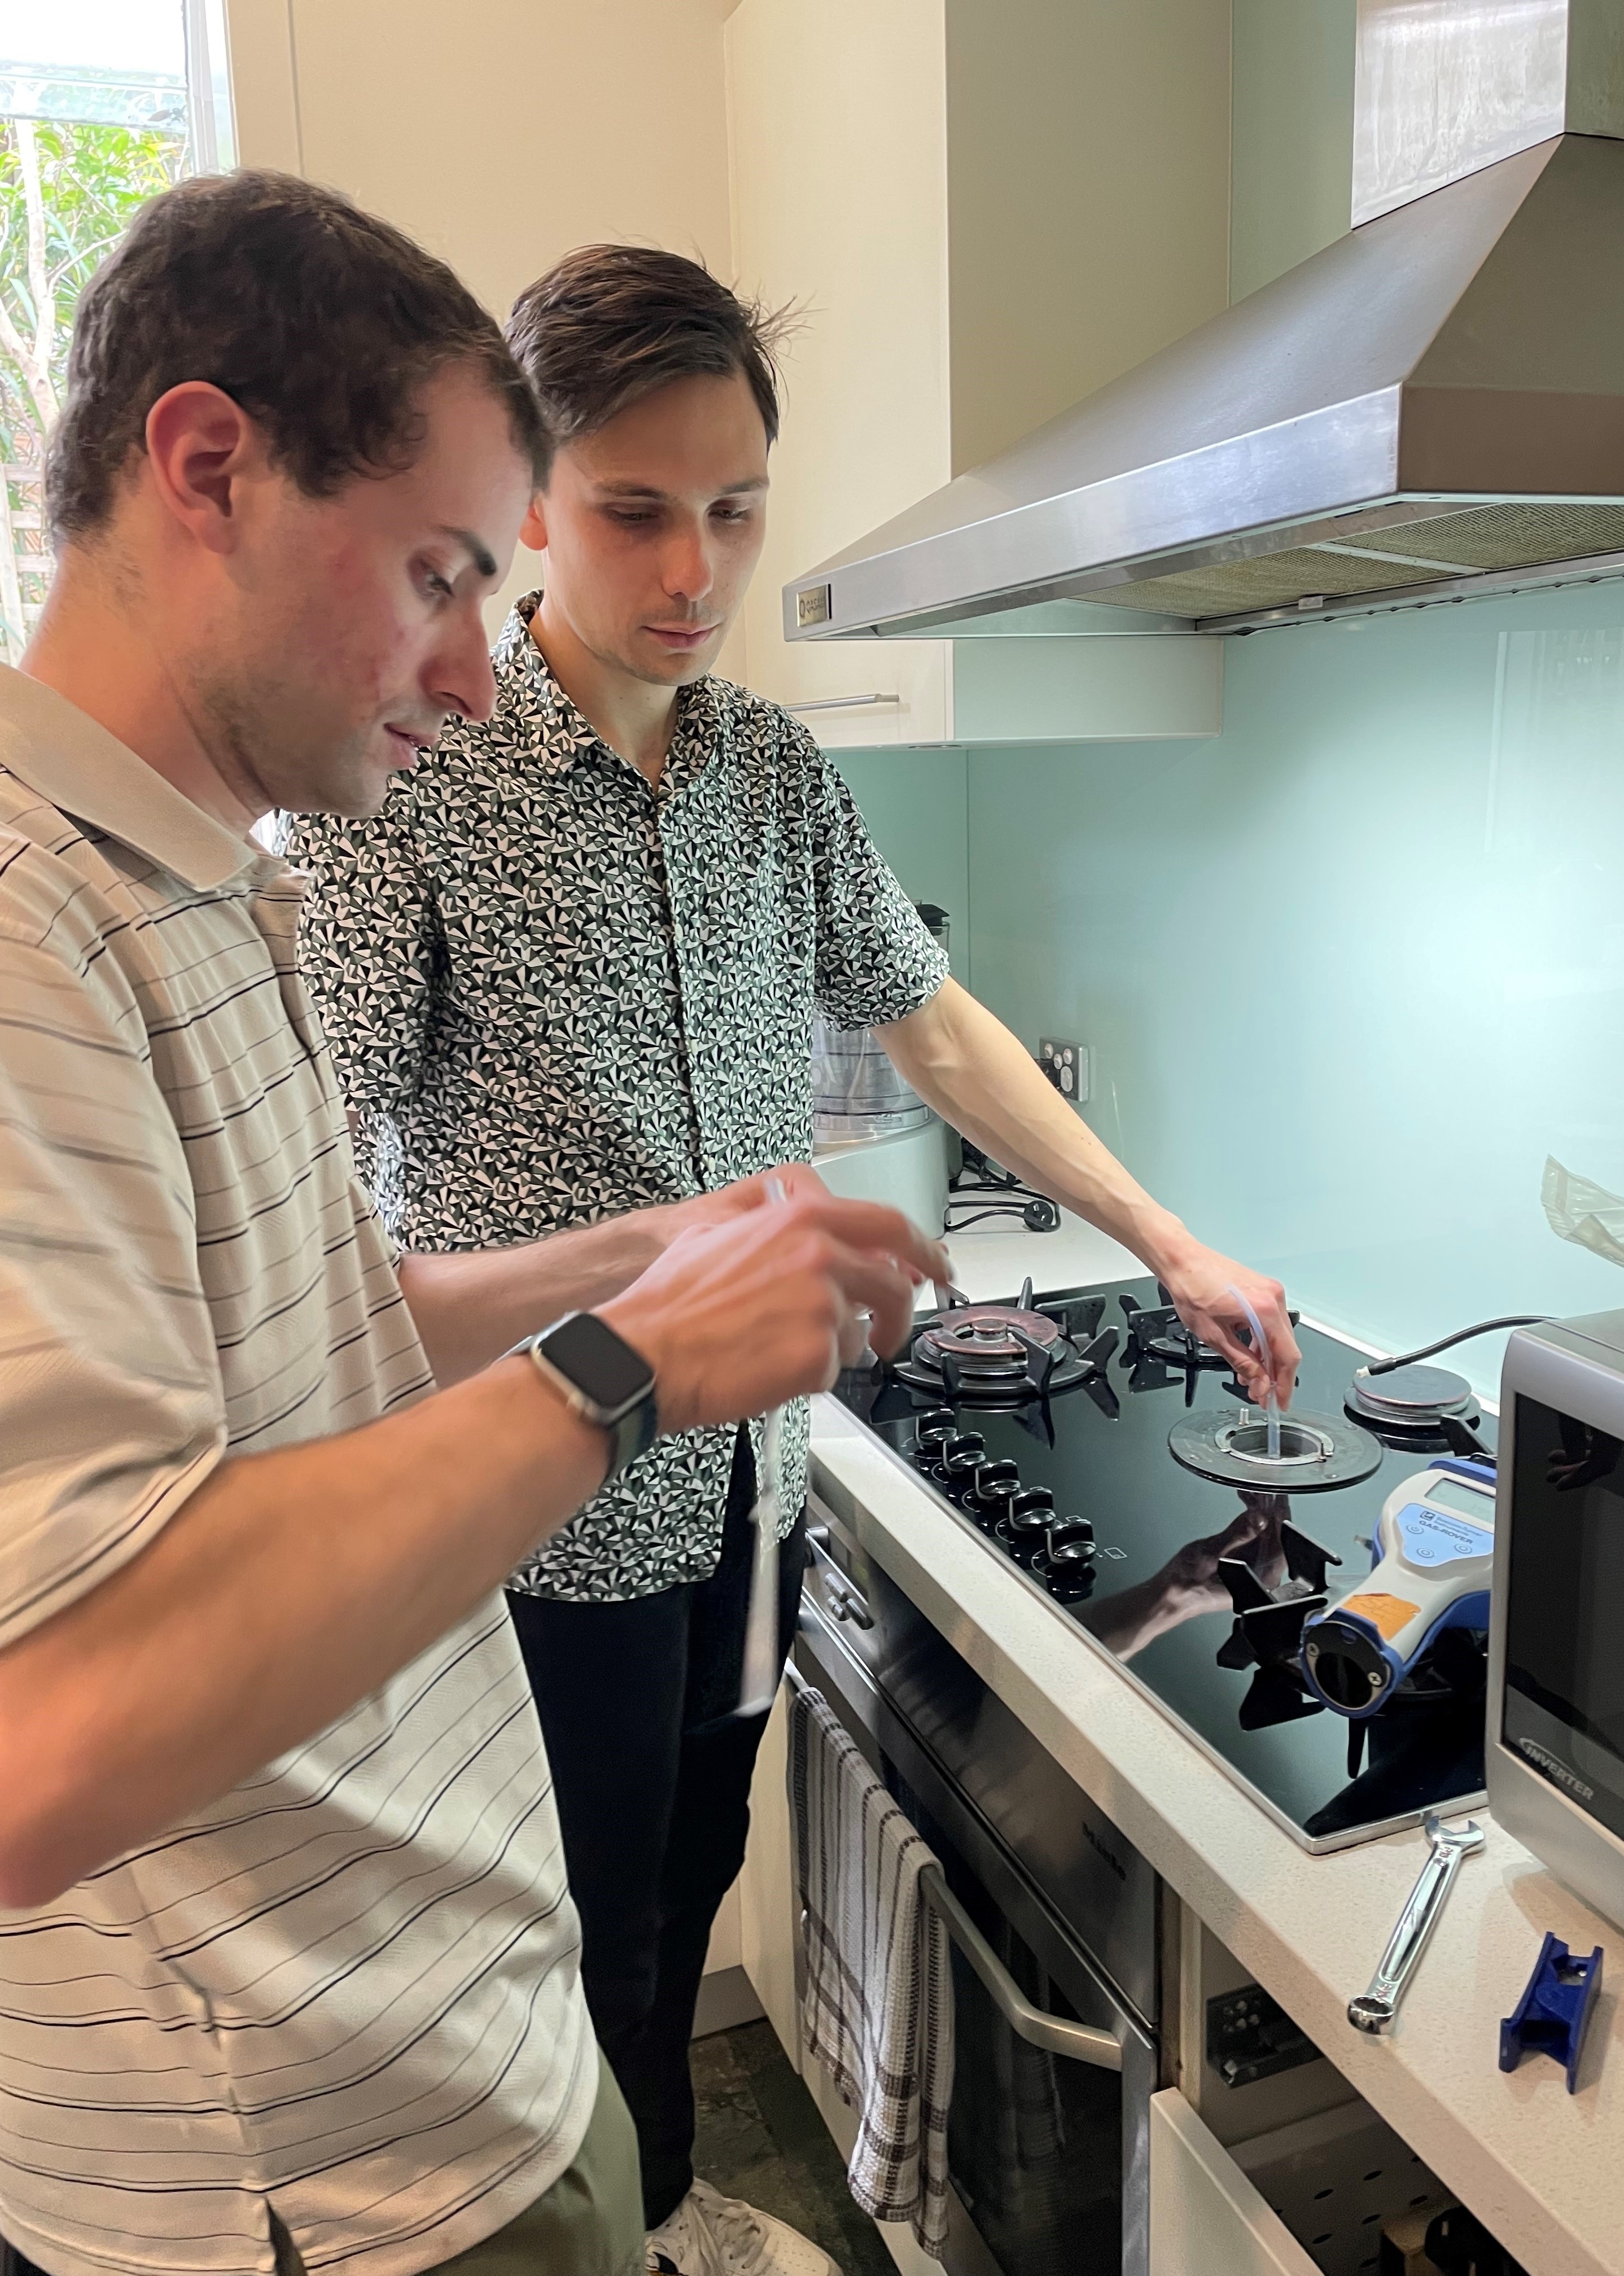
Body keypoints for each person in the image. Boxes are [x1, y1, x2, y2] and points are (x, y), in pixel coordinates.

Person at [287, 244, 1300, 2276]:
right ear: (533, 506)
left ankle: (654, 2213)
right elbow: (316, 1214)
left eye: (736, 507)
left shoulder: (770, 772)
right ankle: (595, 2230)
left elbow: (933, 1021)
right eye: (639, 508)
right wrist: (643, 1265)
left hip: (753, 1483)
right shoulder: (415, 783)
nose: (697, 562)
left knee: (687, 1868)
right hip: (536, 1511)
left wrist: (1164, 1232)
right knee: (564, 1932)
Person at [0, 172, 945, 2276]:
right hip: (309, 2182)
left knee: (668, 1890)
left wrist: (647, 1262)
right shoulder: (27, 941)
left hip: (438, 2048)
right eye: (442, 570)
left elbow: (330, 1333)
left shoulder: (200, 881)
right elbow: (45, 1735)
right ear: (209, 468)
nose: (471, 662)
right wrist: (631, 1366)